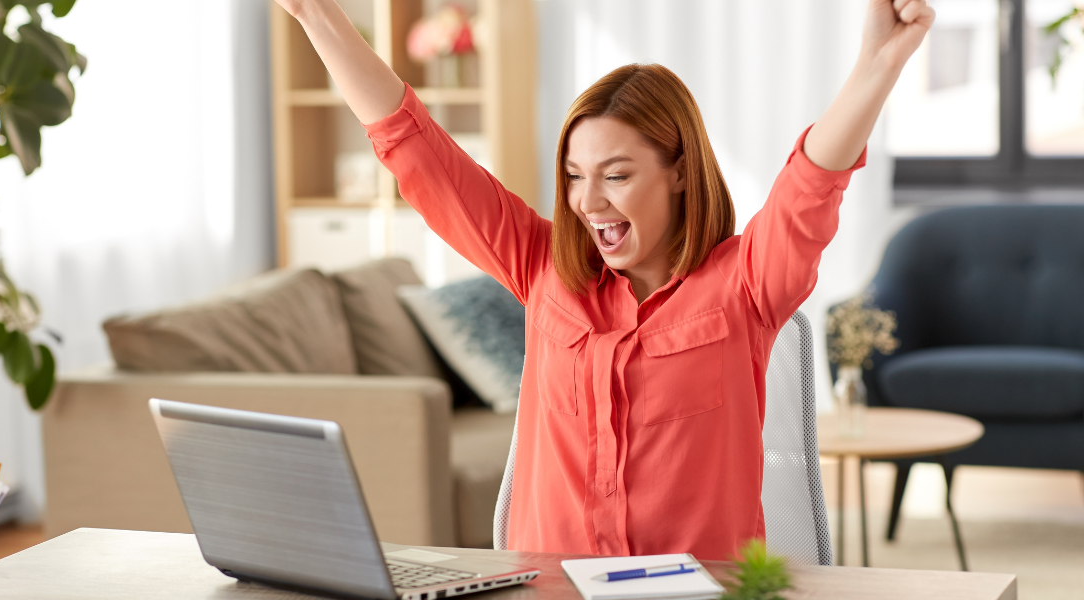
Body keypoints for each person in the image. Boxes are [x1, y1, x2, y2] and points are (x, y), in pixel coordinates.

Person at [273, 0, 934, 559]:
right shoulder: (541, 269)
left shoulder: (746, 287)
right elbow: (415, 149)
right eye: (574, 175)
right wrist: (313, 11)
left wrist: (878, 66)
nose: (587, 202)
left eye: (616, 175)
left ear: (679, 172)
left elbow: (809, 185)